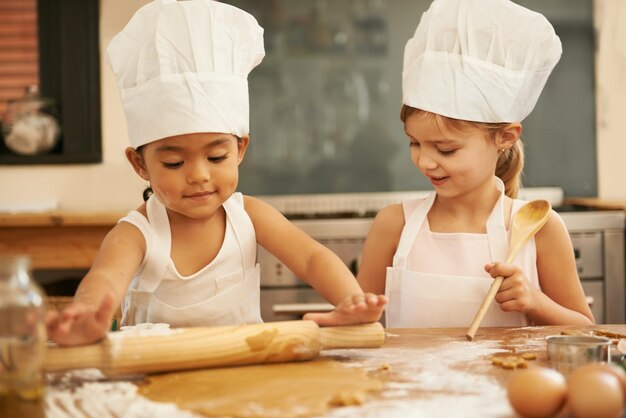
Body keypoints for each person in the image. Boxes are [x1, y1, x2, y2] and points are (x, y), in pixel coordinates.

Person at [46, 0, 387, 346]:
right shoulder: (137, 233)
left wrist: (351, 300)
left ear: (239, 150)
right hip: (160, 384)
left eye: (216, 156)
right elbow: (105, 278)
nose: (198, 175)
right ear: (139, 164)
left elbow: (312, 258)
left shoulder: (249, 216)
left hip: (244, 374)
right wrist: (89, 313)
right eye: (174, 163)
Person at [357, 0, 594, 328]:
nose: (425, 161)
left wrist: (534, 301)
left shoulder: (538, 228)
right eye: (414, 143)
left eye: (446, 149)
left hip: (511, 381)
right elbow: (356, 323)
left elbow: (586, 328)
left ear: (505, 138)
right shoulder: (393, 224)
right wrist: (354, 314)